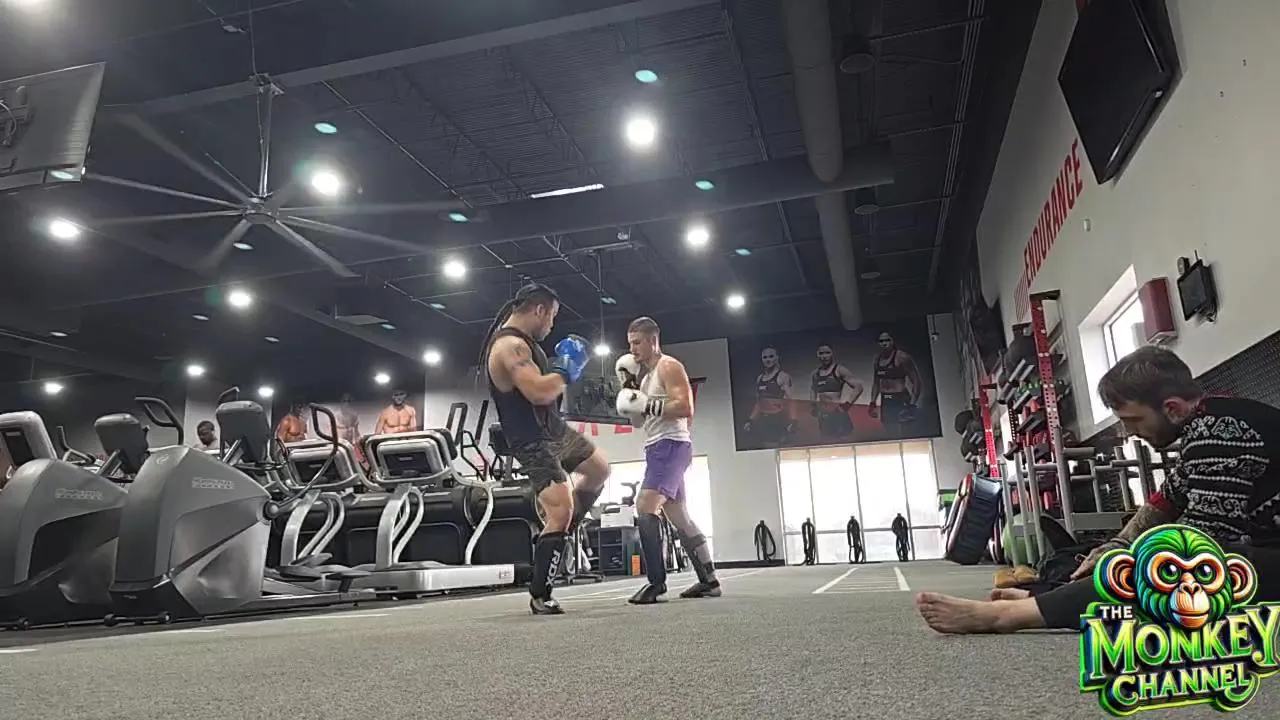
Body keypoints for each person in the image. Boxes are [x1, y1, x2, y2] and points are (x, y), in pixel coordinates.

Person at [917, 346, 1280, 634]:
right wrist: (1114, 547)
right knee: (1139, 559)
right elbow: (1165, 501)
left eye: (1133, 420)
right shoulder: (1208, 424)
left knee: (1170, 565)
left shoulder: (1217, 431)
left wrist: (1124, 561)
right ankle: (1048, 598)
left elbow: (1202, 541)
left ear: (1171, 408)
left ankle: (1010, 616)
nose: (1129, 432)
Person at [482, 282, 611, 615]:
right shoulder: (509, 347)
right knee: (560, 509)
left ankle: (561, 532)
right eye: (552, 316)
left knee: (599, 470)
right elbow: (539, 392)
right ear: (539, 310)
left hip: (554, 430)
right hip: (531, 439)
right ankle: (541, 593)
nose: (552, 324)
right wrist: (566, 370)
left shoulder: (524, 343)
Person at [614, 316, 720, 604]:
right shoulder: (645, 378)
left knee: (644, 506)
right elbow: (637, 422)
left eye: (637, 342)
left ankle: (656, 583)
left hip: (671, 444)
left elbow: (685, 406)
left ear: (653, 340)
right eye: (630, 344)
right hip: (656, 447)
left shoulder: (669, 366)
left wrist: (647, 403)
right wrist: (629, 390)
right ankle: (709, 581)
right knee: (679, 516)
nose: (632, 349)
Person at [867, 332, 923, 436]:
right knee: (890, 433)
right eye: (881, 341)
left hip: (900, 398)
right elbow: (876, 383)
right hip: (886, 399)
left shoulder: (902, 357)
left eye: (887, 340)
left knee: (905, 433)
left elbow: (916, 381)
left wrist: (912, 404)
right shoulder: (877, 359)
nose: (884, 343)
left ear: (893, 341)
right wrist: (872, 402)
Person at [809, 344, 863, 441]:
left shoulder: (839, 370)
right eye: (821, 353)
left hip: (838, 414)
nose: (824, 356)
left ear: (832, 354)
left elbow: (858, 387)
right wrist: (813, 405)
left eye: (827, 353)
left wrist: (847, 404)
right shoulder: (815, 374)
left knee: (844, 443)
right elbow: (813, 389)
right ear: (817, 355)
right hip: (824, 415)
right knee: (826, 443)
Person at [744, 347, 794, 447]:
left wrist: (792, 421)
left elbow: (791, 401)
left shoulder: (782, 376)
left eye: (771, 356)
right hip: (763, 421)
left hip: (778, 420)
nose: (768, 360)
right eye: (765, 357)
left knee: (775, 448)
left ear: (777, 358)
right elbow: (759, 403)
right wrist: (750, 420)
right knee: (765, 447)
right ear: (762, 359)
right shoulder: (760, 378)